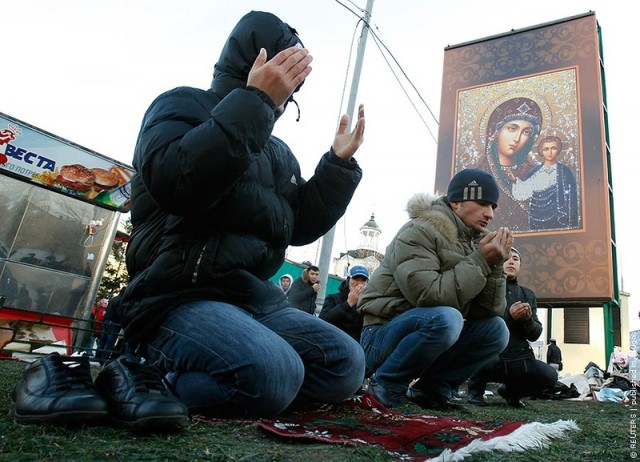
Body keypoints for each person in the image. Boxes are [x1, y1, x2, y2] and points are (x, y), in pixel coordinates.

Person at [115, 10, 366, 418]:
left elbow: (298, 227)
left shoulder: (276, 150)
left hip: (252, 299)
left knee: (344, 363)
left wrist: (336, 165)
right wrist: (256, 102)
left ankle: (252, 385)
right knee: (272, 374)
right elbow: (176, 180)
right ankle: (144, 377)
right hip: (178, 296)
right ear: (254, 62)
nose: (290, 88)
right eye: (284, 71)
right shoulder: (181, 104)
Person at [358, 168, 511, 410]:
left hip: (430, 335)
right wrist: (480, 261)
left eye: (493, 206)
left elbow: (487, 313)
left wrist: (493, 266)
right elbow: (429, 296)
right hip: (381, 336)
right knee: (446, 318)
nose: (490, 214)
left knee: (496, 330)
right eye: (483, 203)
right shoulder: (419, 230)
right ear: (456, 202)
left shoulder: (473, 243)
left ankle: (431, 391)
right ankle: (386, 385)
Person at [467, 248, 558, 408]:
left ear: (520, 265)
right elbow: (478, 321)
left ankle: (512, 393)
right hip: (493, 355)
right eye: (506, 258)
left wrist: (527, 320)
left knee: (550, 376)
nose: (511, 261)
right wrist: (510, 316)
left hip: (520, 357)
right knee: (480, 356)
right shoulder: (485, 287)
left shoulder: (528, 294)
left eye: (515, 259)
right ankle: (476, 393)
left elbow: (535, 335)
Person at [480, 97, 543, 231]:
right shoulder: (478, 175)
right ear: (495, 131)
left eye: (526, 132)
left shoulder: (535, 175)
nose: (517, 138)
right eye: (512, 128)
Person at [512, 135, 579, 231]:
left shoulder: (565, 171)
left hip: (558, 217)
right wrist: (515, 180)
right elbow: (524, 193)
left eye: (553, 148)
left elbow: (572, 197)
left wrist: (571, 219)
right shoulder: (535, 172)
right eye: (546, 149)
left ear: (558, 150)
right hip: (536, 217)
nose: (550, 152)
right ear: (541, 151)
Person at [319, 265, 369, 341]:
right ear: (348, 280)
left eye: (363, 280)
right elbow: (322, 321)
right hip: (333, 342)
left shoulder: (367, 303)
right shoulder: (333, 298)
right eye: (355, 279)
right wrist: (348, 304)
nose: (359, 284)